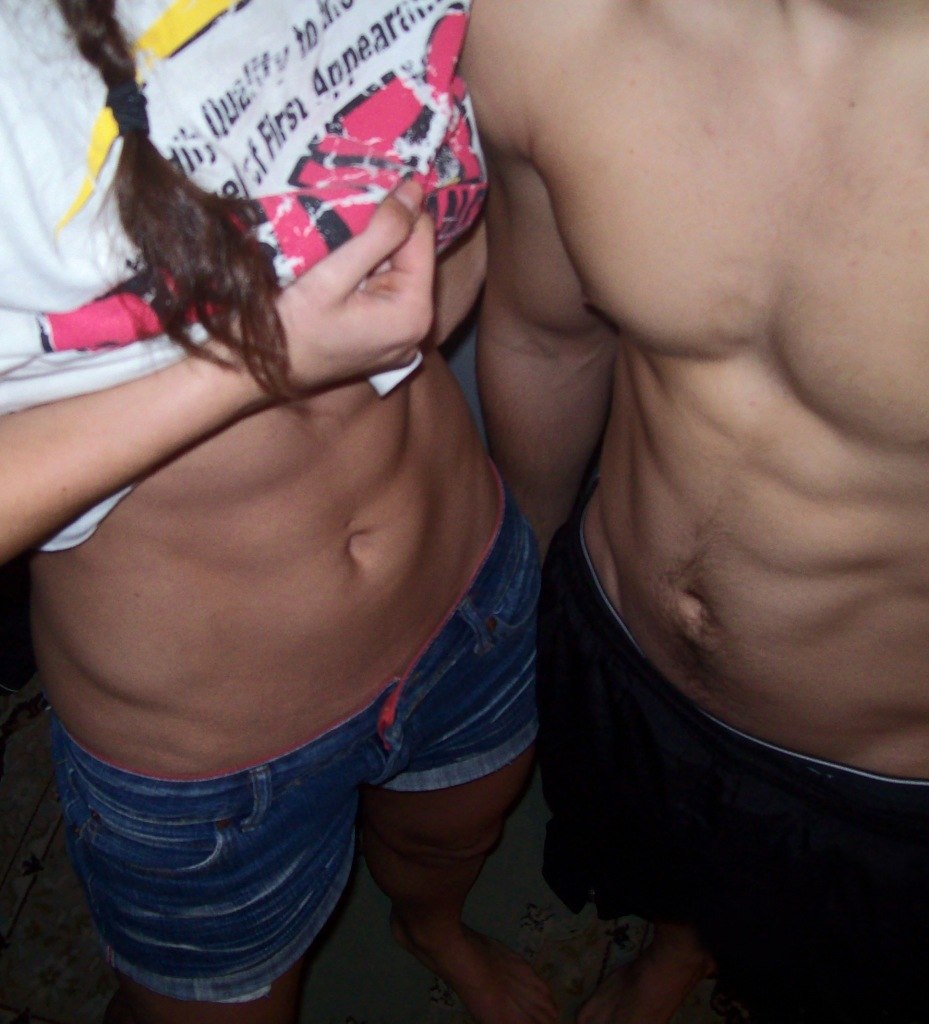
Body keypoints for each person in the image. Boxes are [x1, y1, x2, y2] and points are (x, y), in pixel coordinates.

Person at [0, 2, 559, 1022]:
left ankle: (429, 927)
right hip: (203, 752)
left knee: (450, 843)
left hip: (467, 599)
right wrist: (260, 362)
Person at [462, 1, 929, 1021]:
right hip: (619, 652)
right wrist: (514, 586)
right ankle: (674, 949)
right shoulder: (556, 21)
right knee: (664, 862)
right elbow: (545, 339)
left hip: (879, 783)